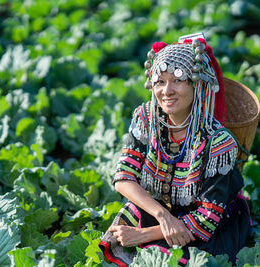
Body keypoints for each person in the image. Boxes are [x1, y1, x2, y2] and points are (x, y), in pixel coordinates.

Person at [99, 35, 251, 266]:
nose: (167, 91)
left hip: (205, 224)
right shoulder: (145, 117)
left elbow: (207, 218)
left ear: (195, 84)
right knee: (126, 226)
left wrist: (146, 234)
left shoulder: (218, 141)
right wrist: (163, 216)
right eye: (160, 82)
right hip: (159, 208)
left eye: (178, 80)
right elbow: (123, 179)